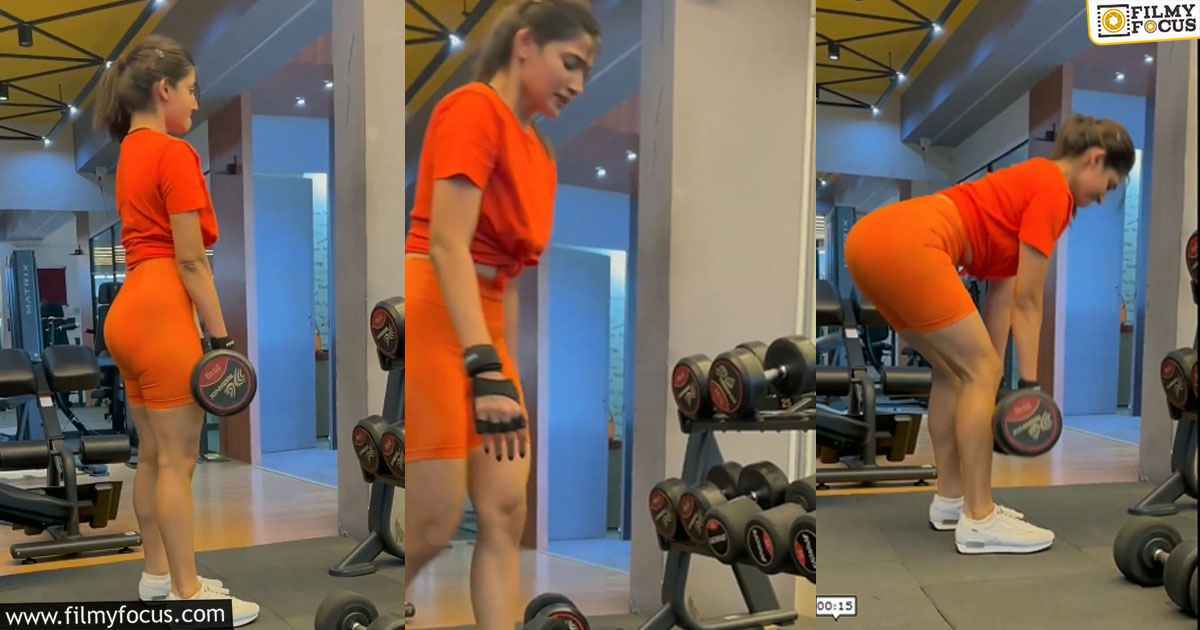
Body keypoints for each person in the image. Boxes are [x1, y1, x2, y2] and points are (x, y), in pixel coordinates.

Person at [844, 114, 1134, 555]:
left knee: (957, 372)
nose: (1101, 198)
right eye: (1108, 185)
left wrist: (993, 378)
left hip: (872, 241)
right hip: (910, 242)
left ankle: (951, 499)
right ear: (1094, 159)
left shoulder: (1028, 182)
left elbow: (1003, 292)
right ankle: (979, 517)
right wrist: (1031, 388)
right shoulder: (1054, 190)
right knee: (977, 370)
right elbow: (1030, 300)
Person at [402, 1, 600, 627]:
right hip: (439, 302)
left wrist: (504, 371)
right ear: (525, 45)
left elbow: (509, 276)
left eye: (587, 71)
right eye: (571, 62)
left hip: (488, 315)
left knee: (506, 509)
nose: (578, 84)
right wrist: (483, 365)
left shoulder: (540, 152)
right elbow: (446, 244)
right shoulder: (472, 109)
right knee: (434, 521)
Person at [94, 35, 259, 625]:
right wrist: (222, 341)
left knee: (152, 457)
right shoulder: (173, 153)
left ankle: (158, 577)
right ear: (163, 89)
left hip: (128, 311)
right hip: (162, 310)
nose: (194, 101)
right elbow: (191, 260)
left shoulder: (130, 152)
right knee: (179, 461)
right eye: (190, 90)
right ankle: (190, 597)